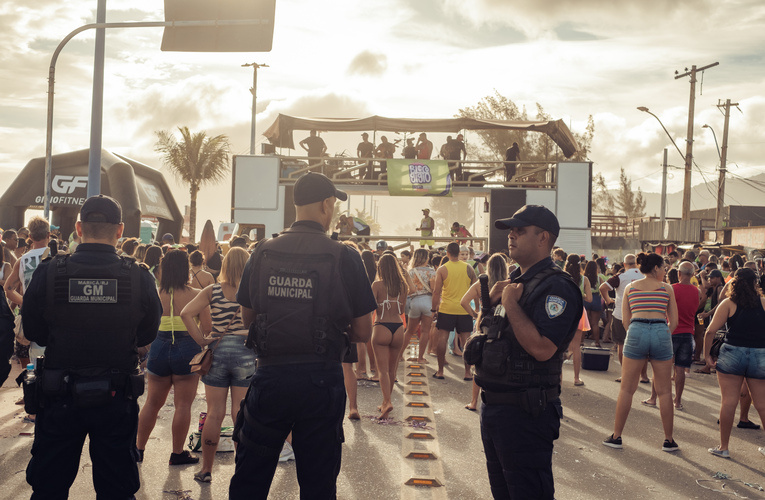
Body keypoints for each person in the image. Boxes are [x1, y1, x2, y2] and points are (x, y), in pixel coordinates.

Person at [229, 172, 375, 499]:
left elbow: (248, 316)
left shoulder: (263, 251)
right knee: (318, 484)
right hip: (321, 381)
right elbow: (364, 331)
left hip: (270, 377)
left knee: (250, 480)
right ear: (326, 204)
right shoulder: (345, 255)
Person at [22, 195, 162, 498]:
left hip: (59, 396)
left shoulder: (50, 272)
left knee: (48, 487)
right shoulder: (137, 276)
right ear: (120, 230)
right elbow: (148, 332)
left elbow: (34, 332)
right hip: (116, 397)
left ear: (79, 228)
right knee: (117, 489)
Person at [468, 205, 581, 499]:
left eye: (520, 230)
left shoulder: (557, 286)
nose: (512, 236)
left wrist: (512, 304)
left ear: (543, 237)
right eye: (510, 231)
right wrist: (489, 305)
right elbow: (489, 333)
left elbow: (542, 348)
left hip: (526, 413)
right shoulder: (515, 282)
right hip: (495, 407)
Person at [180, 247, 255, 483]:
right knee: (239, 413)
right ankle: (241, 469)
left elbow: (185, 313)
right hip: (245, 351)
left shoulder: (212, 290)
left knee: (214, 413)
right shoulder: (252, 291)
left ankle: (206, 470)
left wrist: (201, 340)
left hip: (218, 351)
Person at [136, 249, 212, 465]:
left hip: (159, 347)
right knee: (183, 405)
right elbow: (207, 327)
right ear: (185, 269)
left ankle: (138, 450)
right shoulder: (197, 293)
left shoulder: (155, 292)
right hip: (187, 349)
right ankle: (177, 453)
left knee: (152, 403)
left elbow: (144, 325)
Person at [603, 252, 679, 452]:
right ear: (656, 268)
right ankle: (668, 440)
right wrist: (662, 332)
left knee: (627, 389)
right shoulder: (667, 288)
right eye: (664, 268)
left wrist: (637, 333)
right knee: (664, 391)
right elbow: (674, 321)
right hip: (660, 330)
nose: (665, 271)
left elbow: (626, 321)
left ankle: (617, 436)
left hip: (636, 330)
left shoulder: (630, 288)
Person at [703, 267, 765, 459]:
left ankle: (724, 447)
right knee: (762, 404)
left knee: (728, 402)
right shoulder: (763, 302)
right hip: (759, 354)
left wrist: (707, 356)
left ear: (734, 282)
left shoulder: (728, 303)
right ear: (756, 283)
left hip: (732, 353)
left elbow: (710, 331)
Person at [643, 261, 703, 410]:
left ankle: (653, 398)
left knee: (660, 367)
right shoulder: (697, 292)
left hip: (670, 330)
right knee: (681, 369)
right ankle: (677, 401)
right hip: (688, 333)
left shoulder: (671, 289)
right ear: (693, 274)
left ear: (679, 274)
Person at [461, 253, 508, 411]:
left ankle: (474, 402)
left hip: (484, 326)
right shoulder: (509, 284)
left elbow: (463, 301)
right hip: (505, 326)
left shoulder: (482, 283)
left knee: (479, 364)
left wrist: (476, 315)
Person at [599, 254, 649, 383]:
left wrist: (608, 300)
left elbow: (603, 287)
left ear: (624, 264)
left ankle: (625, 374)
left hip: (621, 315)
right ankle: (643, 375)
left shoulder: (621, 277)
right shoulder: (645, 276)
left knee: (621, 345)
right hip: (642, 315)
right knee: (642, 347)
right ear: (637, 264)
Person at [431, 242, 477, 380]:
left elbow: (436, 292)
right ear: (459, 253)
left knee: (443, 338)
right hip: (464, 309)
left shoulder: (442, 269)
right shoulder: (469, 268)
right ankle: (467, 373)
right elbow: (476, 288)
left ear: (447, 253)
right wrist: (476, 307)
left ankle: (440, 371)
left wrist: (434, 309)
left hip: (447, 308)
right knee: (466, 341)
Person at [371, 253, 408, 419]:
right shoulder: (403, 286)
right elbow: (401, 311)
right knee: (392, 369)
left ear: (380, 268)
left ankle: (387, 402)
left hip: (381, 326)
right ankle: (387, 401)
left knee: (382, 370)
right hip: (398, 328)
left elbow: (371, 309)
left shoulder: (377, 285)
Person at [400, 249, 435, 367]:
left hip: (414, 302)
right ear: (426, 258)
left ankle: (400, 355)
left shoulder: (410, 272)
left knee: (409, 331)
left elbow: (406, 289)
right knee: (425, 331)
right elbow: (434, 289)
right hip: (428, 302)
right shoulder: (431, 271)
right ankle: (420, 357)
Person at [565, 254, 592, 386]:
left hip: (564, 312)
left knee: (558, 346)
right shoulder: (584, 279)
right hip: (579, 311)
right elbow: (589, 299)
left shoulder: (562, 276)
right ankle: (576, 378)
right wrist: (582, 294)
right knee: (576, 347)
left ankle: (558, 379)